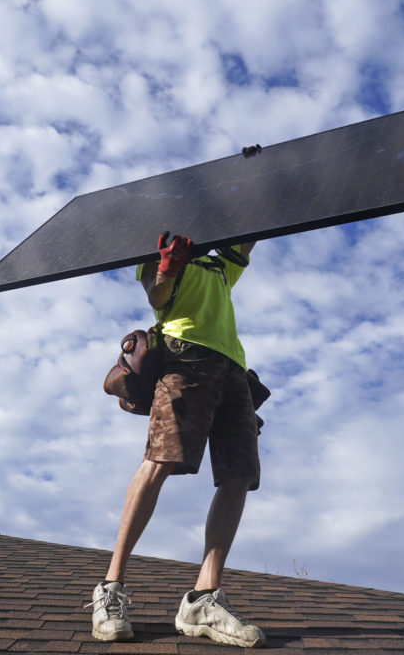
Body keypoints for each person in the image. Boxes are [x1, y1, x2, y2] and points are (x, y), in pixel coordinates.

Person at [90, 232, 266, 648]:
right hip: (182, 352)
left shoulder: (222, 262)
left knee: (239, 473)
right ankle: (110, 589)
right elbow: (156, 294)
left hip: (233, 366)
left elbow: (254, 232)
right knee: (160, 460)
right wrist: (169, 263)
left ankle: (203, 600)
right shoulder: (163, 245)